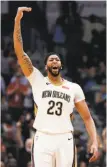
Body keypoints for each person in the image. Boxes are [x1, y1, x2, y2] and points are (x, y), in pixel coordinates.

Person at [13, 7, 99, 167]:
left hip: (64, 138)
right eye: (51, 59)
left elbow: (87, 118)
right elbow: (20, 52)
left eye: (57, 59)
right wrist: (17, 21)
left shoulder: (74, 88)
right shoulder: (37, 79)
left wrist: (94, 141)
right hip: (43, 138)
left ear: (61, 65)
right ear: (46, 66)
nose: (54, 61)